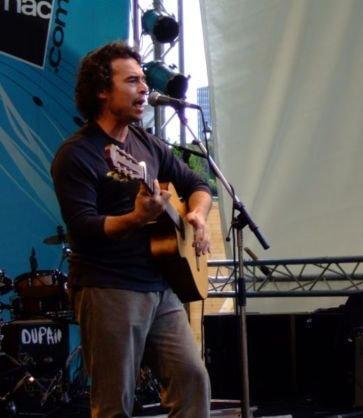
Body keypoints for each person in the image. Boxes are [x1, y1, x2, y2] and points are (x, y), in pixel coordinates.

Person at [51, 42, 212, 418]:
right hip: (109, 286)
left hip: (161, 287)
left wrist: (198, 215)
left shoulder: (147, 143)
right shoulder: (77, 155)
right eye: (132, 81)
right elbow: (84, 227)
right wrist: (137, 218)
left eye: (144, 80)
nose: (144, 89)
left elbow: (197, 184)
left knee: (192, 380)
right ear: (102, 91)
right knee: (114, 404)